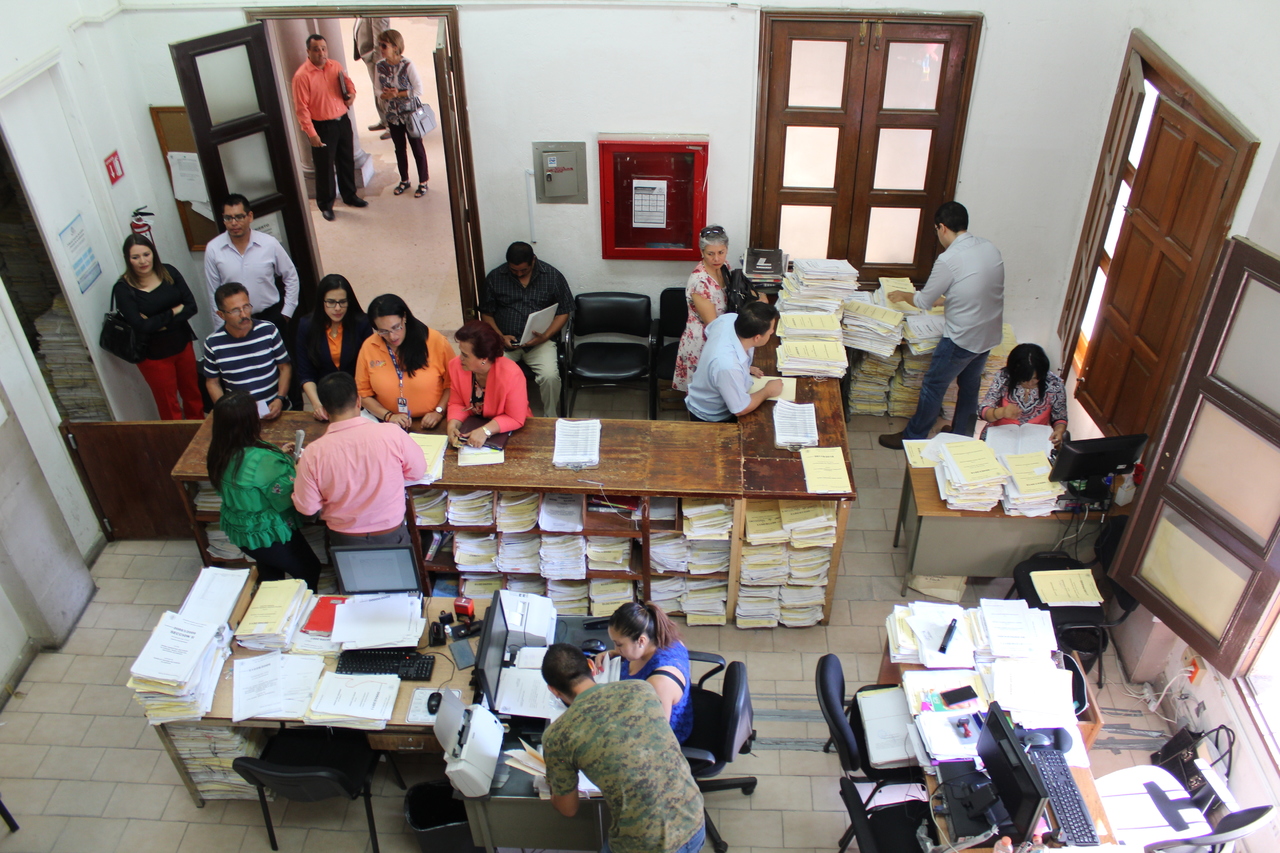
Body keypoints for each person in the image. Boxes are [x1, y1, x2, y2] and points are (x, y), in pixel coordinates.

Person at [539, 643, 706, 853]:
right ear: (591, 666)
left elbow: (568, 809)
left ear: (553, 690)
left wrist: (554, 781)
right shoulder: (641, 688)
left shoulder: (557, 737)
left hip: (645, 846)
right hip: (693, 819)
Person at [879, 201, 1005, 449]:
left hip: (962, 338)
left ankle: (913, 437)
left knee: (933, 385)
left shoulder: (949, 259)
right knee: (969, 386)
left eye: (936, 230)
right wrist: (948, 300)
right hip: (988, 333)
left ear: (942, 227)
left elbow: (923, 301)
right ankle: (960, 436)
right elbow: (979, 289)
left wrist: (904, 295)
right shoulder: (989, 247)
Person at [292, 372, 426, 548]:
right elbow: (417, 472)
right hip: (391, 533)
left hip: (344, 539)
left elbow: (307, 508)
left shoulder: (313, 453)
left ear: (324, 409)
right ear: (358, 402)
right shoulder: (392, 433)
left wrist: (298, 474)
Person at [206, 391, 320, 590]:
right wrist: (297, 467)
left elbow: (254, 476)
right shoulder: (262, 460)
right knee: (309, 569)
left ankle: (269, 599)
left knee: (270, 571)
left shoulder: (220, 450)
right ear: (250, 422)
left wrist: (279, 456)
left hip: (244, 532)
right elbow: (289, 496)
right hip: (267, 533)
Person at [111, 234, 203, 420]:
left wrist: (157, 323)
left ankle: (200, 430)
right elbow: (141, 326)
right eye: (135, 257)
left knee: (193, 394)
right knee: (168, 404)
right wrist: (173, 311)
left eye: (146, 254)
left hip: (182, 344)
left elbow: (191, 307)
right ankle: (178, 437)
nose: (143, 261)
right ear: (127, 259)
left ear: (153, 253)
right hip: (153, 356)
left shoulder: (169, 272)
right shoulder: (123, 289)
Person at [480, 242, 573, 417]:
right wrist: (500, 336)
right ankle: (501, 414)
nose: (519, 274)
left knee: (550, 376)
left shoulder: (552, 276)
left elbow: (564, 312)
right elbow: (486, 313)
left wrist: (545, 336)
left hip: (540, 342)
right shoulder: (495, 277)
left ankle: (550, 417)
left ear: (533, 260)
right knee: (491, 372)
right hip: (505, 343)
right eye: (514, 270)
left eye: (524, 270)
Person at [291, 34, 369, 222]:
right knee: (324, 167)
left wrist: (352, 94)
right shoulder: (302, 76)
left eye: (323, 48)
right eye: (316, 49)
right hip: (322, 127)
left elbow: (348, 84)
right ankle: (326, 205)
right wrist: (311, 133)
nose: (321, 53)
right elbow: (301, 109)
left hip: (342, 121)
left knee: (346, 160)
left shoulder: (335, 66)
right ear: (308, 52)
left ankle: (349, 195)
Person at [597, 601, 694, 743]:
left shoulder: (659, 683)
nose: (616, 648)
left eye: (619, 644)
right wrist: (615, 654)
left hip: (659, 738)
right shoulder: (665, 638)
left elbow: (654, 740)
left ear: (641, 641)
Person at [356, 293, 453, 430]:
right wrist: (388, 416)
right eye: (383, 331)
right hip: (389, 424)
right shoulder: (369, 347)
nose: (392, 336)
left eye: (396, 327)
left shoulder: (435, 341)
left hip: (433, 422)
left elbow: (453, 383)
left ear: (404, 317)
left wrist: (439, 411)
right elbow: (363, 394)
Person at [203, 194, 300, 331]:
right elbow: (214, 293)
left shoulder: (269, 243)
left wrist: (286, 313)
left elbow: (291, 276)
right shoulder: (214, 249)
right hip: (235, 322)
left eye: (239, 217)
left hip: (270, 317)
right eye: (228, 218)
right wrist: (222, 329)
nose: (234, 223)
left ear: (250, 216)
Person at [202, 283, 291, 420]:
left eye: (246, 307)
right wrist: (225, 411)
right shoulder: (213, 343)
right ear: (221, 315)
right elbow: (212, 382)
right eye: (235, 311)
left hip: (276, 407)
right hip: (240, 414)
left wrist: (280, 398)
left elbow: (285, 367)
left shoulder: (268, 330)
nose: (243, 314)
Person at [685, 301, 783, 423]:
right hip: (712, 417)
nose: (772, 332)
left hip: (718, 383)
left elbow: (710, 333)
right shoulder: (728, 366)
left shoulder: (729, 319)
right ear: (757, 338)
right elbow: (740, 408)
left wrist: (743, 368)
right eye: (771, 330)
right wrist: (768, 391)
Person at [295, 274, 372, 421]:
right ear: (321, 301)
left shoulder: (362, 323)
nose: (337, 308)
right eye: (331, 302)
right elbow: (306, 374)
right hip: (325, 399)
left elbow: (368, 369)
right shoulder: (306, 326)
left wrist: (357, 402)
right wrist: (317, 405)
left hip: (358, 398)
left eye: (342, 302)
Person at [446, 320, 530, 448]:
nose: (460, 358)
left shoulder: (511, 374)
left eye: (465, 355)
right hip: (473, 428)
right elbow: (457, 403)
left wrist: (485, 431)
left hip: (512, 432)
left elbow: (515, 418)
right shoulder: (456, 366)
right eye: (460, 351)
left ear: (483, 359)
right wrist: (452, 425)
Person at [673, 225, 736, 393]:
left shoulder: (724, 267)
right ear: (702, 252)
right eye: (710, 254)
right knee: (704, 393)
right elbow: (712, 325)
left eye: (721, 252)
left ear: (726, 250)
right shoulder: (700, 282)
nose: (716, 258)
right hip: (704, 341)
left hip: (722, 335)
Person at [979, 343, 1068, 446]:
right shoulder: (1004, 377)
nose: (1030, 383)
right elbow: (984, 411)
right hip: (1001, 434)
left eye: (1036, 378)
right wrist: (1001, 412)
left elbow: (1059, 417)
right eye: (1024, 379)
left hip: (1035, 438)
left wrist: (1059, 430)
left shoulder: (1055, 384)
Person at [376, 29, 430, 198]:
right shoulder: (380, 66)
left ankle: (423, 181)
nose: (380, 48)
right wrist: (385, 96)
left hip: (410, 115)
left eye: (384, 45)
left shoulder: (407, 65)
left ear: (395, 46)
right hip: (393, 115)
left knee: (417, 148)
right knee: (399, 149)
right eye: (380, 45)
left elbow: (418, 90)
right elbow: (377, 90)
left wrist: (397, 94)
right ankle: (404, 180)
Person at [352, 16, 391, 136]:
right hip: (371, 60)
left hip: (377, 61)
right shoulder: (363, 8)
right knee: (377, 91)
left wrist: (378, 62)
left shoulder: (377, 11)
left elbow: (381, 38)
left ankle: (392, 126)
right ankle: (384, 121)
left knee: (384, 92)